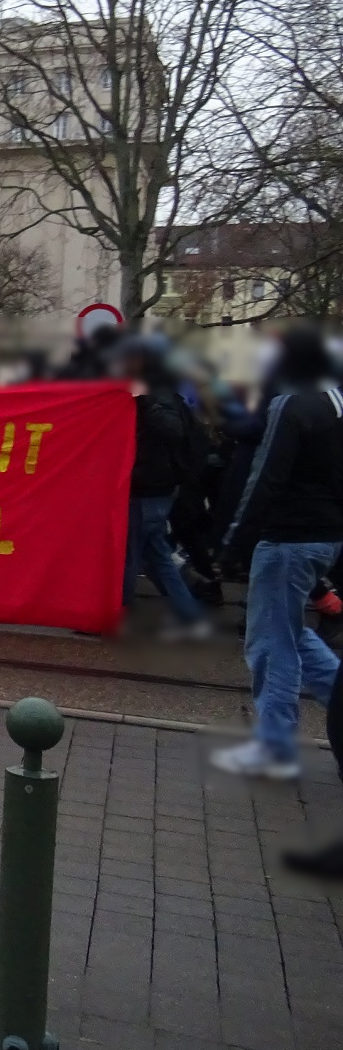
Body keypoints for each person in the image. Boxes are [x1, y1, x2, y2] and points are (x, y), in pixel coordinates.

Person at [213, 326, 343, 782]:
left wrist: (234, 542)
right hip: (323, 535)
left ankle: (275, 747)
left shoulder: (290, 403)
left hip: (287, 535)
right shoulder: (334, 401)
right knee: (289, 631)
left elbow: (265, 476)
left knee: (269, 642)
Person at [114, 336, 212, 640]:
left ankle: (116, 617)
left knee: (128, 556)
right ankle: (190, 615)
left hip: (147, 489)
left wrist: (142, 400)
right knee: (157, 555)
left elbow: (172, 430)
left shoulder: (155, 392)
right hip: (154, 489)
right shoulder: (158, 389)